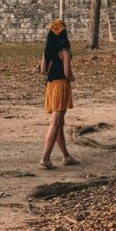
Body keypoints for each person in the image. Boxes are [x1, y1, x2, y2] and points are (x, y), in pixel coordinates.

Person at [40, 19, 79, 169]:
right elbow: (67, 73)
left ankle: (66, 156)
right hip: (61, 86)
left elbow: (43, 71)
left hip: (50, 86)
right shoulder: (65, 51)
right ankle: (45, 157)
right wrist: (73, 77)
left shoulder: (47, 51)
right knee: (56, 123)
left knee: (59, 124)